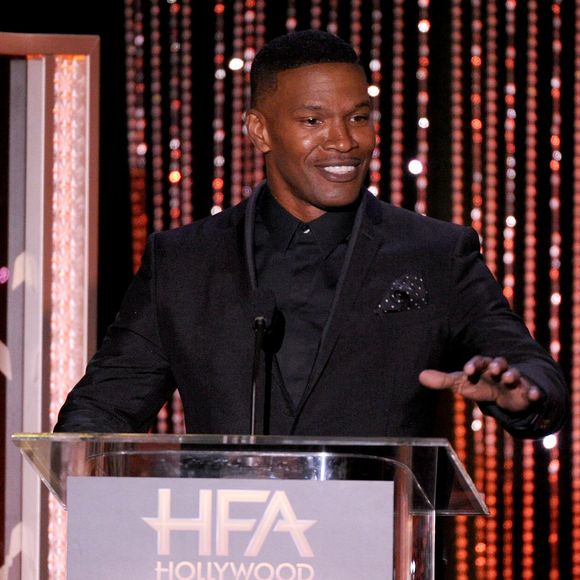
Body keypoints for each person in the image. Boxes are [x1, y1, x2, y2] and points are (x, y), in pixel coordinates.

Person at [54, 29, 568, 438]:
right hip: (222, 554)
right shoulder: (186, 260)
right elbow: (101, 411)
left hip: (378, 553)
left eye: (358, 118)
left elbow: (531, 372)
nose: (344, 141)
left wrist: (524, 397)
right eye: (313, 120)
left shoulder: (435, 253)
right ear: (260, 131)